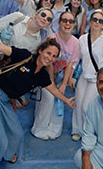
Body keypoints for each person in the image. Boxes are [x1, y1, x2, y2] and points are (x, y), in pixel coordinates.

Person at [0, 18, 76, 169]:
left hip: (4, 101)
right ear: (40, 50)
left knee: (16, 133)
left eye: (54, 56)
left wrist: (67, 101)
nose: (50, 58)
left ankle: (6, 155)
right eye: (48, 53)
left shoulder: (42, 76)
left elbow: (53, 90)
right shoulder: (24, 56)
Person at [71, 11, 103, 141]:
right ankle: (77, 130)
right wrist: (71, 75)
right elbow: (76, 59)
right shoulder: (82, 39)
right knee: (78, 104)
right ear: (90, 21)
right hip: (83, 76)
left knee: (86, 107)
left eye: (100, 21)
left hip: (97, 80)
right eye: (95, 19)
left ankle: (89, 133)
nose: (97, 22)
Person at [31, 11, 79, 140]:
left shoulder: (75, 42)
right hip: (46, 74)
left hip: (61, 76)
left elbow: (70, 64)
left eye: (70, 21)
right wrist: (51, 82)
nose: (67, 24)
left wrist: (63, 84)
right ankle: (39, 129)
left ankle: (54, 130)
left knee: (59, 98)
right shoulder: (53, 37)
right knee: (48, 98)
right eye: (64, 20)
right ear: (59, 22)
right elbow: (49, 63)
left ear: (74, 24)